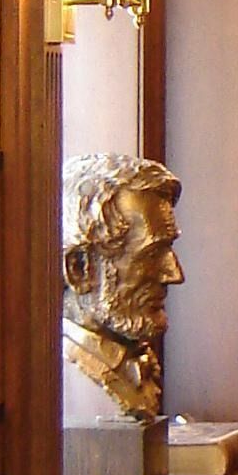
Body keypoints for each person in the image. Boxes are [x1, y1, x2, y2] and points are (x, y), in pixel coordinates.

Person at [62, 152, 183, 421]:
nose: (174, 274)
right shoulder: (68, 385)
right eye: (152, 255)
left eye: (169, 250)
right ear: (80, 269)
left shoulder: (134, 357)